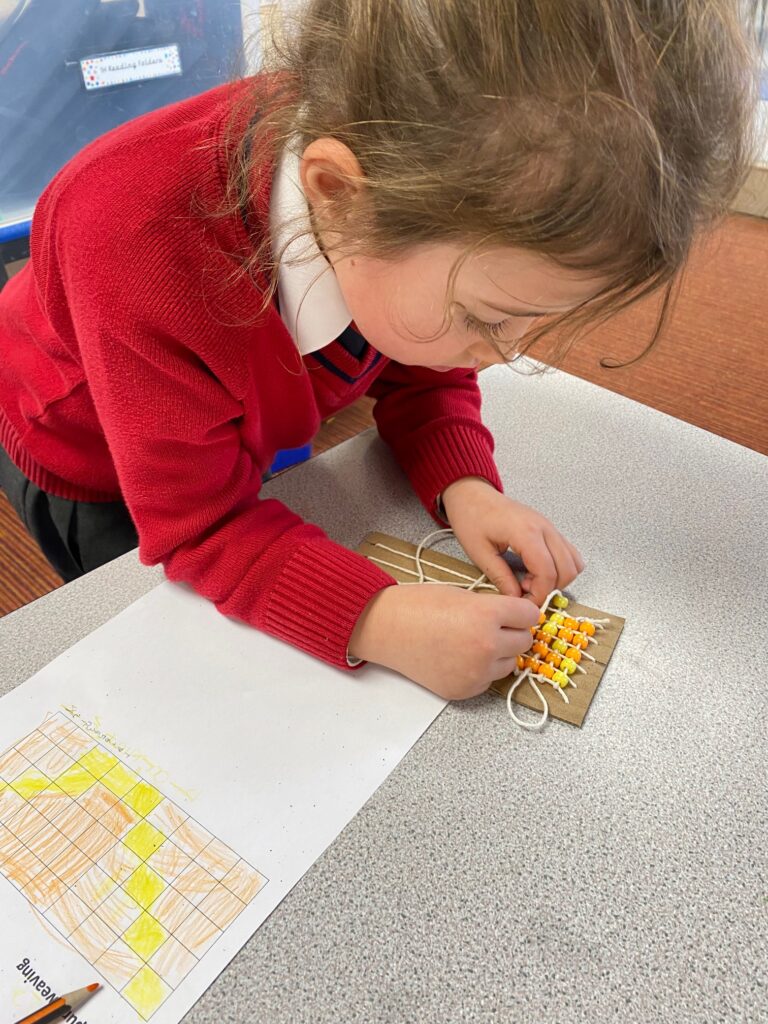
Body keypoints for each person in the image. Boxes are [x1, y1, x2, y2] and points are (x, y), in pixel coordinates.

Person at [0, 1, 755, 699]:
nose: (503, 355)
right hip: (79, 443)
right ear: (336, 195)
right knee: (156, 649)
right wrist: (377, 618)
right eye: (488, 317)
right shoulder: (135, 243)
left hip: (212, 400)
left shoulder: (397, 195)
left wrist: (468, 486)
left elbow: (425, 364)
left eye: (534, 321)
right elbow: (198, 529)